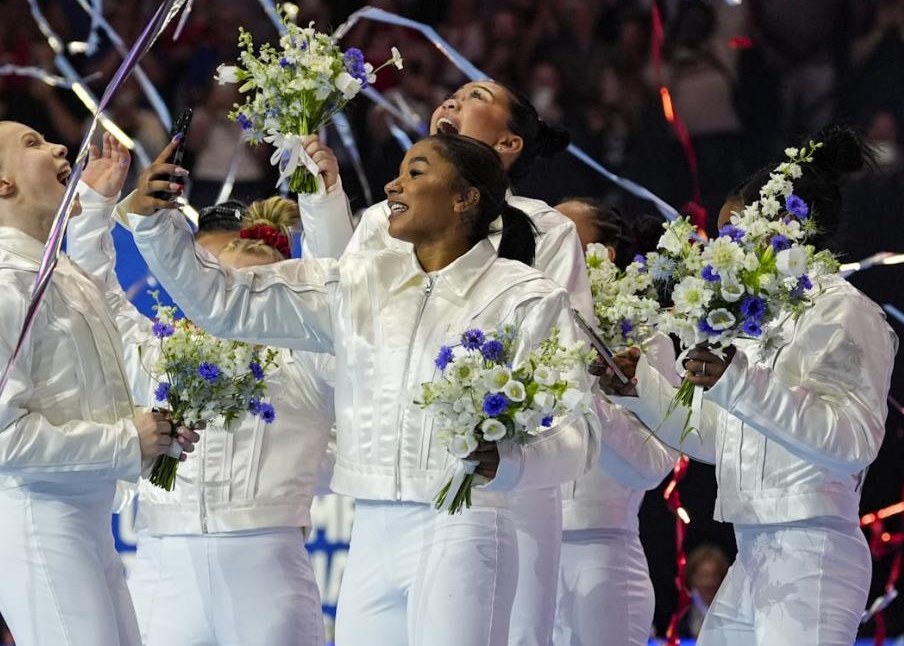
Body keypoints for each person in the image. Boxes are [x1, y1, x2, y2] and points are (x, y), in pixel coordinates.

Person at [122, 132, 599, 646]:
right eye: (398, 171)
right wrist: (156, 224)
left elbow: (580, 431)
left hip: (465, 525)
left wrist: (508, 463)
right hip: (371, 530)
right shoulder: (358, 283)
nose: (394, 184)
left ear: (466, 198)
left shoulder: (525, 298)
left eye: (416, 172)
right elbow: (225, 302)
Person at [0, 121, 197, 646]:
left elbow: (103, 392)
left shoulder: (67, 278)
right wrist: (127, 440)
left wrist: (158, 430)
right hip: (40, 530)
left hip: (89, 529)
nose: (58, 146)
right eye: (32, 143)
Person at [296, 81, 592, 644]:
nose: (451, 102)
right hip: (402, 481)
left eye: (473, 95)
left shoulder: (545, 229)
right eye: (450, 95)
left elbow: (556, 359)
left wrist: (502, 445)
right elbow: (339, 303)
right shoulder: (384, 220)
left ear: (507, 144)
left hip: (500, 481)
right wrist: (324, 199)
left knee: (517, 632)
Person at [611, 126, 897, 646]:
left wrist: (739, 381)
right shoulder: (755, 321)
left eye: (733, 236)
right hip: (753, 551)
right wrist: (637, 386)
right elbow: (713, 439)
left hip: (813, 556)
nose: (725, 251)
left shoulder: (844, 311)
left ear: (788, 226)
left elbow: (854, 442)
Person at [65, 143, 332, 646]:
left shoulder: (308, 362)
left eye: (258, 289)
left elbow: (335, 282)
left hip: (266, 568)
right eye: (222, 286)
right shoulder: (164, 357)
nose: (233, 304)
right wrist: (94, 208)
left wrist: (320, 199)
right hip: (163, 566)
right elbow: (98, 297)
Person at [552, 205, 678, 646]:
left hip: (603, 554)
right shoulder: (519, 332)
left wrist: (587, 394)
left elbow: (652, 465)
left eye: (562, 234)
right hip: (523, 550)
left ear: (602, 256)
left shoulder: (644, 336)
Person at [679, 545, 732, 639]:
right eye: (704, 576)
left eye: (714, 576)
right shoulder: (682, 616)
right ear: (692, 579)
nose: (709, 582)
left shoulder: (732, 615)